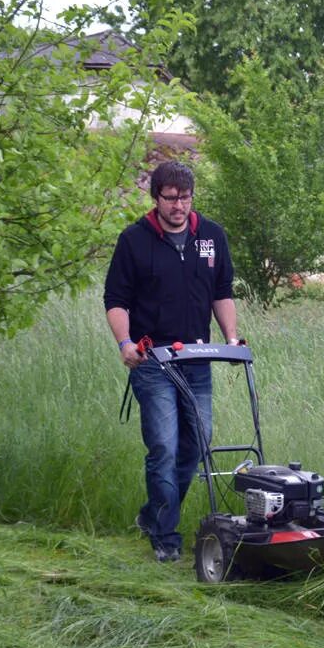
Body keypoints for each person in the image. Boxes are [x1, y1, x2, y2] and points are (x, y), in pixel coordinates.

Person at [103, 161, 238, 562]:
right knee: (163, 445)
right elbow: (116, 300)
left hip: (197, 359)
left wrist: (231, 339)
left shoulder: (211, 236)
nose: (179, 205)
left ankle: (152, 515)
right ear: (156, 197)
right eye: (170, 197)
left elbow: (222, 292)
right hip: (153, 360)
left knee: (197, 442)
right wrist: (125, 342)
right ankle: (166, 537)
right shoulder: (134, 240)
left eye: (185, 197)